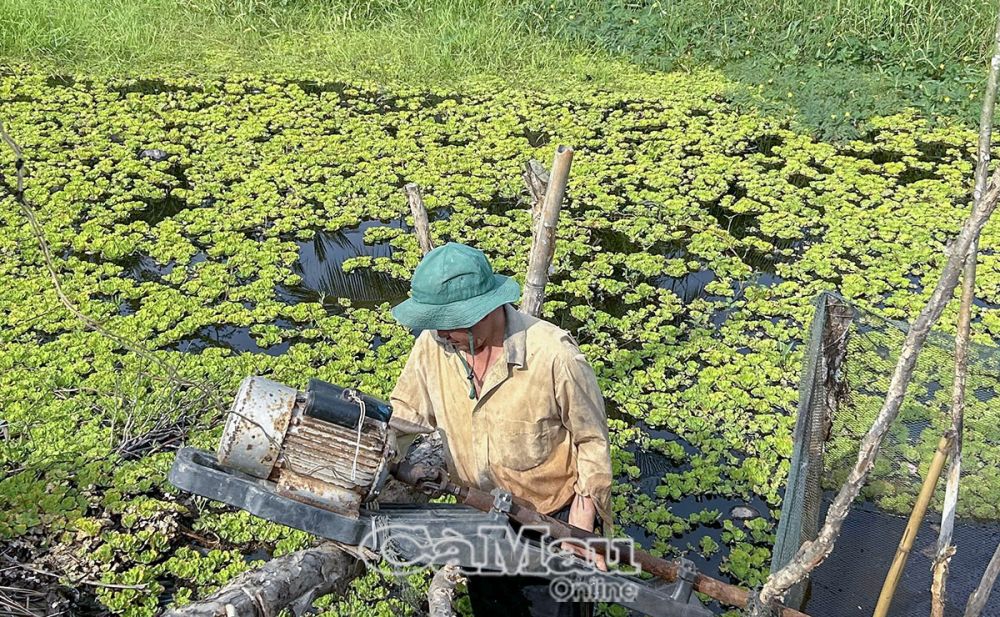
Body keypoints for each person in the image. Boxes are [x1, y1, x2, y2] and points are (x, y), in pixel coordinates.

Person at [388, 242, 613, 617]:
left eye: (453, 322)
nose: (443, 333)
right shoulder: (434, 346)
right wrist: (370, 455)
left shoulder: (554, 356)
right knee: (493, 608)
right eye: (436, 323)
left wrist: (581, 527)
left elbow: (591, 441)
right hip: (480, 517)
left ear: (489, 307)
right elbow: (405, 415)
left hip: (549, 522)